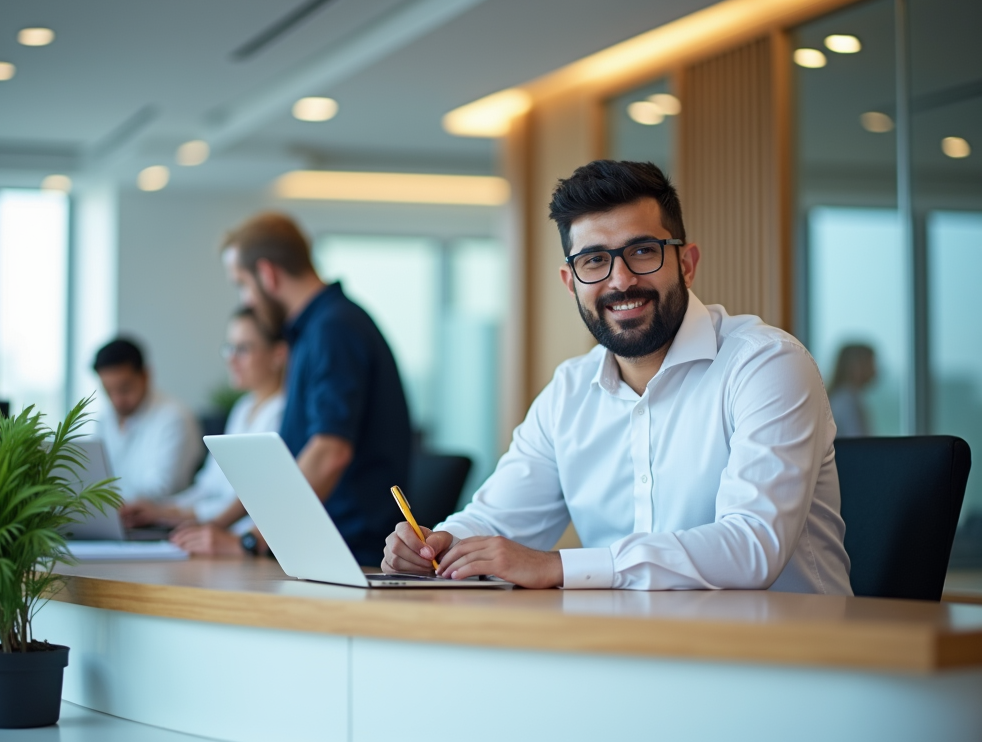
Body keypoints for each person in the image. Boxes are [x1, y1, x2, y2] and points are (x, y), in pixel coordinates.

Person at [383, 159, 853, 594]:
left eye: (643, 251)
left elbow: (752, 546)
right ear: (572, 283)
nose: (621, 280)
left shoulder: (766, 365)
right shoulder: (568, 391)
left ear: (686, 263)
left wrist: (559, 567)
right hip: (630, 653)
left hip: (789, 662)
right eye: (594, 260)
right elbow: (498, 520)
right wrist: (439, 545)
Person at [173, 212, 412, 565]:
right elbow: (293, 464)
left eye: (242, 284)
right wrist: (218, 525)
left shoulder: (333, 331)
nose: (246, 301)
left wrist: (250, 542)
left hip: (348, 552)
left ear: (267, 274)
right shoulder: (319, 329)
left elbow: (330, 452)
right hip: (322, 546)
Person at [119, 308, 287, 529]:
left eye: (243, 349)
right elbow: (208, 486)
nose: (232, 359)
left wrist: (173, 513)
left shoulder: (284, 413)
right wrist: (162, 510)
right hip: (218, 533)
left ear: (277, 355)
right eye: (230, 348)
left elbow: (257, 500)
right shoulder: (242, 409)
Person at [93, 337, 202, 503]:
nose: (117, 400)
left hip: (160, 521)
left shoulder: (175, 418)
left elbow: (162, 489)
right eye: (108, 391)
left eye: (124, 389)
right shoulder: (104, 419)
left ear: (145, 375)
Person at [828, 343, 876, 437]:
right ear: (856, 366)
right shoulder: (847, 402)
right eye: (871, 363)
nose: (875, 369)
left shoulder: (843, 397)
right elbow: (859, 443)